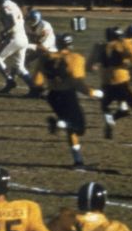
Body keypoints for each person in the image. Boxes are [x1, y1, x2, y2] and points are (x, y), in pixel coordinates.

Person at [33, 33, 103, 168]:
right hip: (68, 95)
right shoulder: (75, 58)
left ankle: (78, 161)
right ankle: (60, 123)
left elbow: (37, 82)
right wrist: (94, 93)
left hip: (52, 96)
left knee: (70, 129)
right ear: (70, 44)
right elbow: (78, 84)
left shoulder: (45, 58)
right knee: (79, 129)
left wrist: (43, 89)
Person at [0, 0, 36, 95]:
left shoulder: (5, 6)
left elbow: (13, 21)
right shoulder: (13, 4)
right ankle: (34, 88)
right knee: (19, 66)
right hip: (23, 38)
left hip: (15, 38)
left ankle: (10, 81)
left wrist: (5, 32)